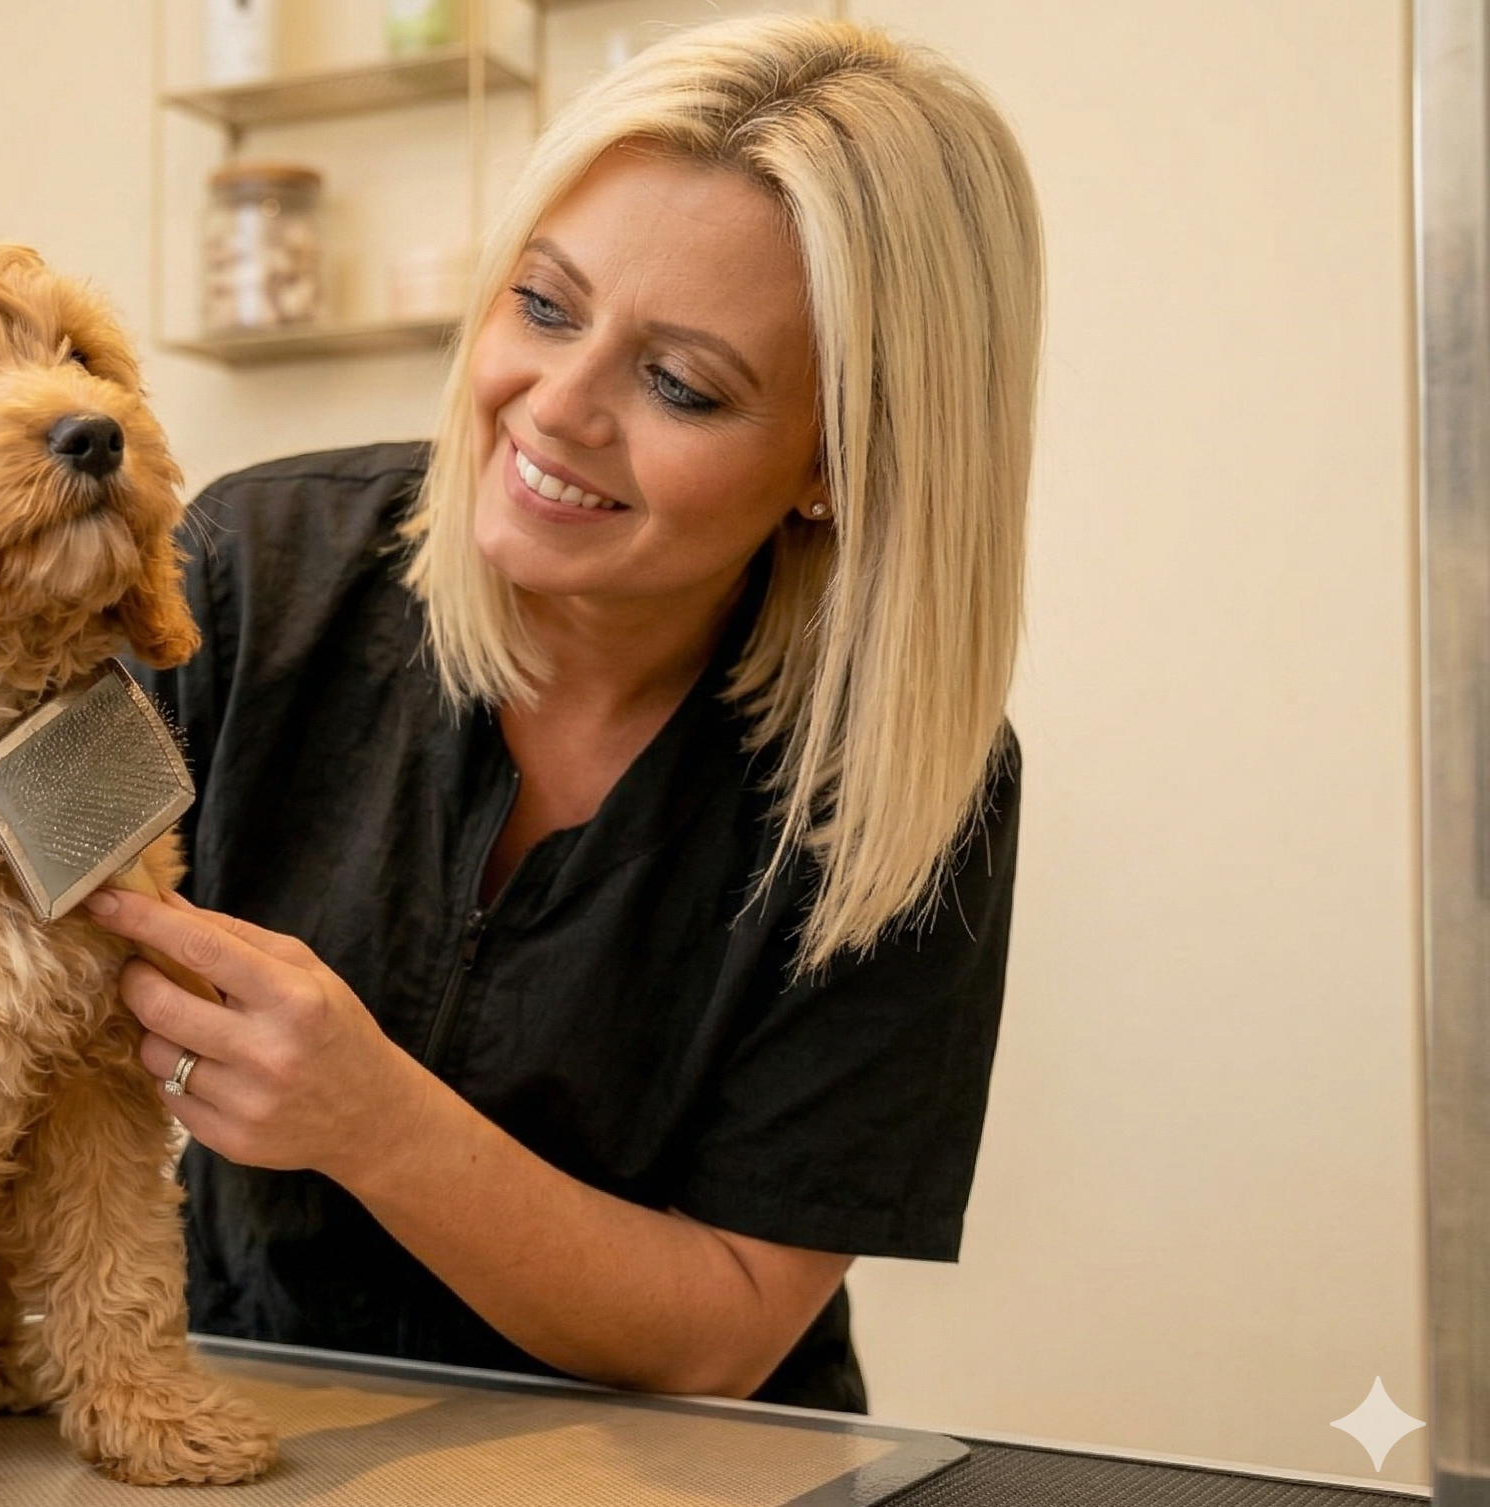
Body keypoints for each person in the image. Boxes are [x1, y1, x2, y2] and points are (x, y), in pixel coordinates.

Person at [93, 14, 1043, 1413]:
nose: (558, 408)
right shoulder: (238, 575)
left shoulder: (904, 785)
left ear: (839, 464)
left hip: (688, 1478)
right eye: (544, 305)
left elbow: (724, 1332)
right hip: (265, 1427)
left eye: (681, 385)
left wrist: (376, 1123)